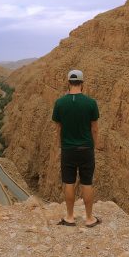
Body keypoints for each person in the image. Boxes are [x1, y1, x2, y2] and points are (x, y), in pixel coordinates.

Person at [52, 69, 100, 227]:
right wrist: (95, 145)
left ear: (68, 82)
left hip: (68, 150)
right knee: (87, 183)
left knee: (69, 182)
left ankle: (70, 217)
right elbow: (94, 128)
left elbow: (58, 128)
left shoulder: (59, 103)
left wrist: (58, 147)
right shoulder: (91, 103)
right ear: (82, 83)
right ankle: (89, 218)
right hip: (86, 149)